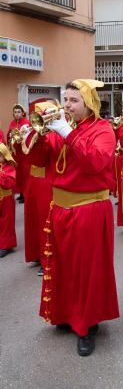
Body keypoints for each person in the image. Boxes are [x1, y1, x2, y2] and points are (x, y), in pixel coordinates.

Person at [26, 79, 119, 356]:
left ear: (89, 103)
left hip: (88, 208)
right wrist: (40, 136)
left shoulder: (103, 130)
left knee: (87, 270)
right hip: (61, 209)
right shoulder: (59, 127)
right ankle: (67, 314)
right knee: (63, 266)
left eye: (73, 101)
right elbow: (38, 161)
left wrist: (67, 133)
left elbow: (95, 162)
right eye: (65, 100)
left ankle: (88, 325)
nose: (67, 106)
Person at [23, 101, 56, 275]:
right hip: (33, 180)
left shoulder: (51, 133)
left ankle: (47, 260)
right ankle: (36, 254)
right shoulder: (32, 131)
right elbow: (25, 154)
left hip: (46, 181)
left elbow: (44, 156)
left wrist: (41, 135)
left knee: (45, 222)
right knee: (32, 219)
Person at [7, 104, 30, 203]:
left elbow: (28, 137)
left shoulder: (26, 123)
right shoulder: (12, 123)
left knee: (25, 175)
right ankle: (21, 194)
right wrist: (10, 135)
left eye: (19, 112)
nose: (17, 114)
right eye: (15, 112)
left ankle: (26, 195)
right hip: (15, 155)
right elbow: (8, 135)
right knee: (18, 175)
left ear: (23, 113)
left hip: (24, 155)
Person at [0, 143, 17, 258]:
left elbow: (9, 183)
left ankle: (6, 245)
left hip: (6, 199)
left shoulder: (9, 167)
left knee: (6, 222)